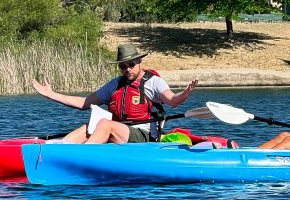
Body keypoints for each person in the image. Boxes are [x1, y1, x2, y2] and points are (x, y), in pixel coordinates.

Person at [32, 43, 199, 144]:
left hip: (144, 135)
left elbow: (173, 101)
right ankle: (58, 150)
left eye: (131, 64)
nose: (127, 69)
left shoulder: (153, 82)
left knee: (104, 124)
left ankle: (79, 156)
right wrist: (51, 94)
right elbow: (84, 103)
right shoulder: (115, 84)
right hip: (119, 132)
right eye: (123, 66)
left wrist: (185, 93)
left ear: (140, 61)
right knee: (88, 127)